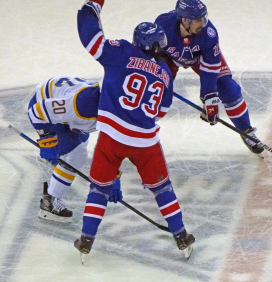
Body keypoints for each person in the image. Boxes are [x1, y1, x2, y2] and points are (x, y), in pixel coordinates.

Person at [74, 0, 195, 259]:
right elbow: (161, 111)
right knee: (162, 189)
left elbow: (92, 41)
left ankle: (86, 239)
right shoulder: (164, 72)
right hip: (145, 142)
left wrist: (90, 8)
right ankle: (181, 235)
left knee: (99, 189)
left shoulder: (122, 51)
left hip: (112, 138)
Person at [154, 0, 264, 154]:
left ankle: (246, 131)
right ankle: (139, 131)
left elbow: (211, 67)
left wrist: (209, 97)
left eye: (203, 18)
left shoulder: (209, 34)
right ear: (185, 20)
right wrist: (155, 75)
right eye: (198, 20)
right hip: (170, 58)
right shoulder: (163, 25)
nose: (203, 23)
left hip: (200, 59)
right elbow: (151, 51)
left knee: (229, 89)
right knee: (153, 91)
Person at [27, 76, 103, 222]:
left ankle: (62, 166)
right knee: (77, 155)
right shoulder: (83, 105)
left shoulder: (109, 107)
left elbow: (112, 146)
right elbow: (36, 113)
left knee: (81, 143)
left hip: (67, 111)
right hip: (43, 108)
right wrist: (47, 140)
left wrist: (114, 176)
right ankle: (49, 204)